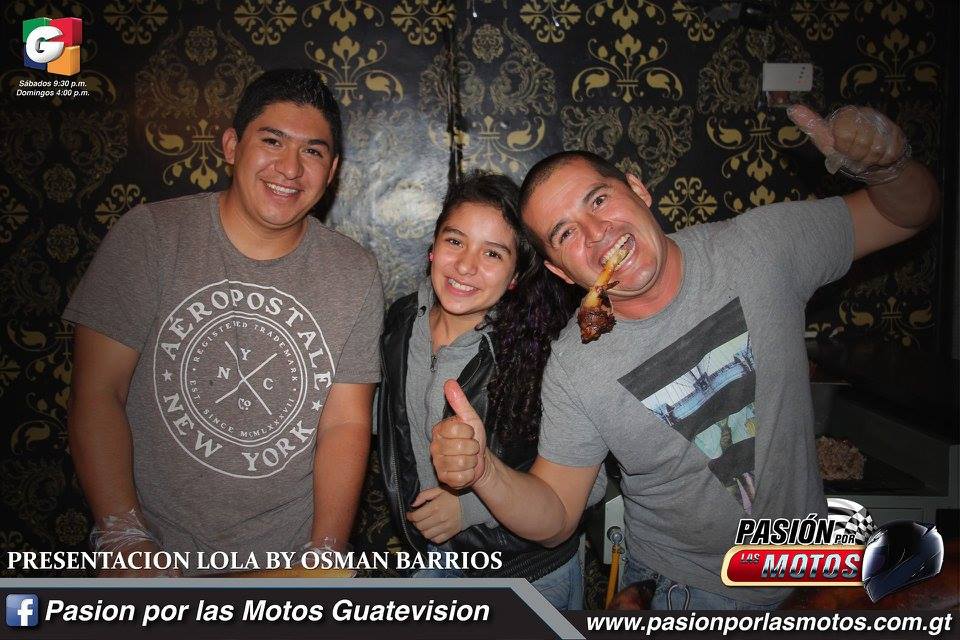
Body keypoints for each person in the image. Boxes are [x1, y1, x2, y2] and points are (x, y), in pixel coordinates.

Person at [429, 104, 940, 609]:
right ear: (562, 272)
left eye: (599, 200)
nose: (596, 232)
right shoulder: (575, 365)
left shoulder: (760, 249)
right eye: (565, 234)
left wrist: (888, 168)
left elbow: (904, 214)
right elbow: (558, 515)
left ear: (638, 190)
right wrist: (485, 473)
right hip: (679, 594)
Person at [65, 69, 383, 576]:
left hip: (284, 564)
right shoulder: (151, 236)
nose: (290, 168)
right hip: (154, 549)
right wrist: (124, 537)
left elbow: (346, 422)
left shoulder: (355, 271)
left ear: (332, 170)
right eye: (272, 141)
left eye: (312, 151)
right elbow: (98, 391)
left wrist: (324, 552)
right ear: (232, 146)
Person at [377, 171, 598, 609]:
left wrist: (469, 508)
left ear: (515, 275)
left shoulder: (544, 352)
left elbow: (586, 487)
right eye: (455, 241)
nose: (465, 265)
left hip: (527, 574)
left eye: (493, 253)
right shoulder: (400, 323)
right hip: (429, 560)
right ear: (432, 248)